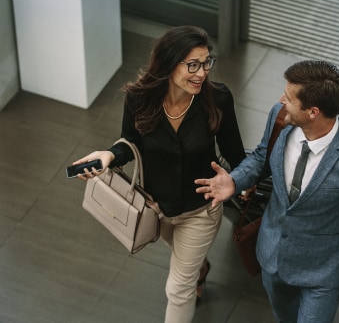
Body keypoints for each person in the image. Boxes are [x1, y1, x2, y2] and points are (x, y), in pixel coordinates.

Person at [195, 60, 339, 322]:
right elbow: (261, 156)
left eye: (289, 98)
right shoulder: (280, 117)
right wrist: (235, 180)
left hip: (323, 270)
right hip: (273, 255)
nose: (281, 100)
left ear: (313, 112)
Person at [72, 25, 246, 322]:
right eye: (192, 65)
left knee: (178, 288)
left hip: (201, 210)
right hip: (156, 208)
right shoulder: (139, 98)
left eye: (206, 63)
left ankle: (194, 272)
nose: (202, 73)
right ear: (168, 63)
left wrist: (236, 180)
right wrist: (110, 155)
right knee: (185, 259)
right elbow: (130, 143)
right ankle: (199, 268)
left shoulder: (217, 99)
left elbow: (235, 154)